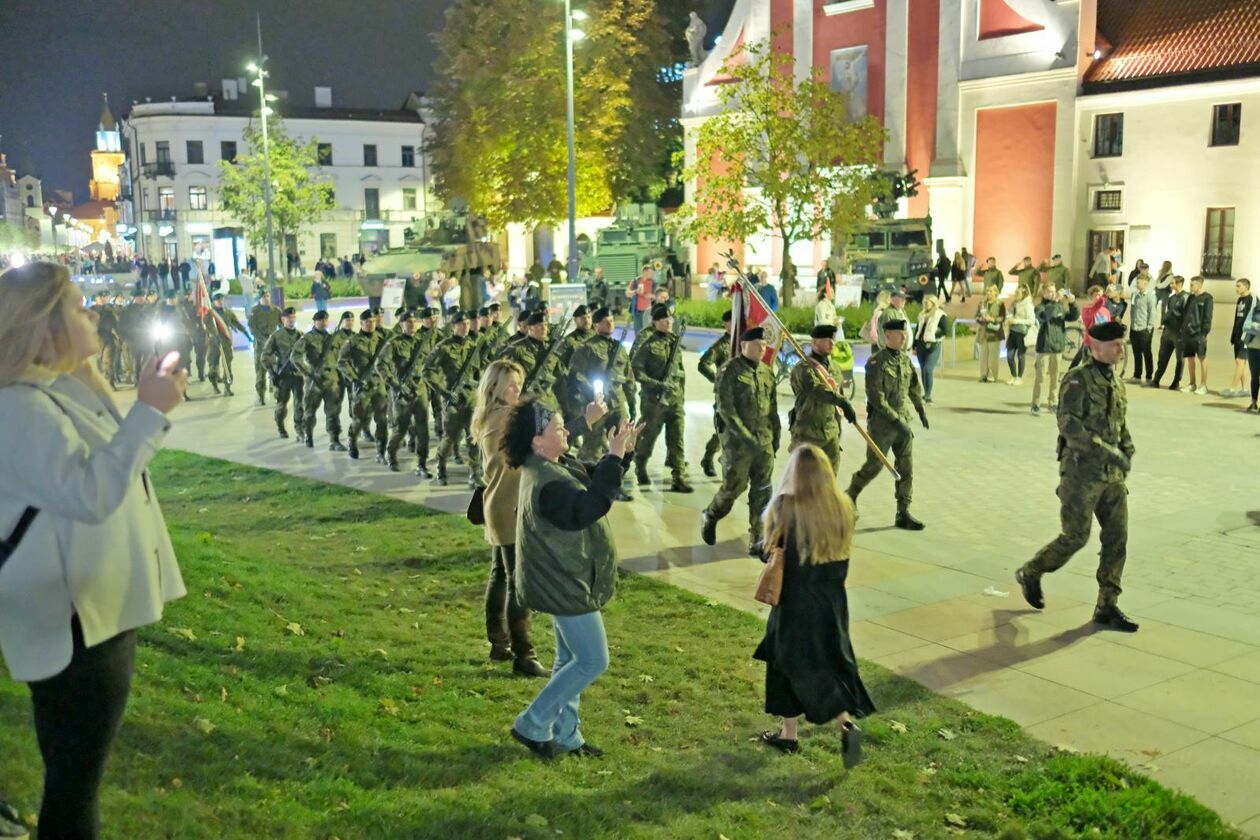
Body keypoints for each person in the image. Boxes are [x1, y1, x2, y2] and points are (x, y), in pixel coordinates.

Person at [0, 261, 187, 838]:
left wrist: (139, 402)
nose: (95, 315)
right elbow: (92, 492)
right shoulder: (18, 408)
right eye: (81, 307)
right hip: (75, 625)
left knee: (77, 775)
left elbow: (112, 468)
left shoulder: (53, 391)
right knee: (74, 787)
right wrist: (150, 411)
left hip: (93, 612)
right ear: (43, 323)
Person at [505, 399, 639, 760]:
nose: (567, 432)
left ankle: (567, 735)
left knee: (570, 660)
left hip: (564, 578)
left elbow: (590, 477)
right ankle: (532, 724)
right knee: (593, 660)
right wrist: (612, 458)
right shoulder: (546, 482)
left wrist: (619, 456)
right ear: (537, 440)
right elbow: (588, 506)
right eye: (559, 428)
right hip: (564, 584)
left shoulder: (550, 464)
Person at [1016, 320, 1139, 633]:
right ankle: (1032, 571)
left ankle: (1106, 605)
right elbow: (1068, 424)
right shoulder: (1077, 380)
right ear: (1096, 347)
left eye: (1121, 344)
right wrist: (1107, 450)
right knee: (1075, 537)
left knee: (1117, 538)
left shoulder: (1116, 381)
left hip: (1111, 476)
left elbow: (1118, 422)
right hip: (1080, 473)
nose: (1120, 349)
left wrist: (1126, 445)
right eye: (1115, 345)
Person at [753, 445, 874, 761]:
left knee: (784, 666)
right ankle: (845, 726)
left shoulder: (785, 507)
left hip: (794, 603)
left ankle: (788, 735)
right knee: (828, 664)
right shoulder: (842, 506)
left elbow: (771, 550)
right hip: (831, 601)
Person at [472, 361, 550, 678]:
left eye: (519, 383)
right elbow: (536, 449)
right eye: (510, 385)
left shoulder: (490, 416)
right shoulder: (504, 418)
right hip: (510, 507)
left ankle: (500, 643)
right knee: (519, 582)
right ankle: (524, 655)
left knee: (501, 576)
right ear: (494, 388)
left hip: (499, 504)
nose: (517, 389)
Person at [700, 327, 781, 554]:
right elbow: (726, 409)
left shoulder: (767, 372)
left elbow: (772, 407)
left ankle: (758, 538)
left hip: (763, 440)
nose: (762, 348)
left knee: (762, 489)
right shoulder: (729, 371)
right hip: (737, 444)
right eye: (757, 344)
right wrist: (745, 436)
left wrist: (776, 433)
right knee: (733, 489)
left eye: (764, 345)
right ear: (744, 345)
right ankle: (711, 514)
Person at [845, 319, 928, 529]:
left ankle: (903, 512)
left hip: (903, 423)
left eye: (905, 334)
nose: (904, 337)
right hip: (882, 425)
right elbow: (876, 397)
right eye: (899, 334)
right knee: (874, 466)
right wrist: (895, 420)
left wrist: (919, 409)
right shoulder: (876, 363)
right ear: (887, 335)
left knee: (906, 468)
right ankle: (851, 493)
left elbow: (913, 387)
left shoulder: (905, 360)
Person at [630, 304, 693, 492]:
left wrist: (681, 397)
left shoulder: (675, 343)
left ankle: (678, 476)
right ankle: (640, 466)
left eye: (670, 319)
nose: (669, 322)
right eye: (664, 320)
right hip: (653, 402)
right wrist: (656, 384)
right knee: (648, 438)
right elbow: (636, 371)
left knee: (677, 440)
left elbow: (679, 373)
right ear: (655, 322)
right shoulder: (648, 345)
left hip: (675, 401)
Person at [787, 324, 858, 473]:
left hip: (830, 434)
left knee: (829, 483)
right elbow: (817, 390)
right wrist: (843, 402)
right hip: (807, 435)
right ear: (814, 343)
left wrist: (838, 430)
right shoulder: (804, 368)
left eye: (832, 339)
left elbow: (837, 399)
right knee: (805, 485)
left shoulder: (834, 367)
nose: (832, 343)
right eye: (826, 340)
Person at [380, 311, 432, 475]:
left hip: (420, 390)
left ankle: (422, 463)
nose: (412, 324)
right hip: (401, 392)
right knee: (400, 429)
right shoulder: (394, 343)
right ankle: (391, 454)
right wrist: (395, 385)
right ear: (401, 324)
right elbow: (381, 365)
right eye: (408, 322)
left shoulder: (424, 342)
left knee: (423, 430)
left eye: (414, 321)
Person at [338, 309, 389, 462]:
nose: (371, 324)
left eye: (373, 321)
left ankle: (381, 452)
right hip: (362, 387)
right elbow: (342, 362)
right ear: (361, 323)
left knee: (382, 420)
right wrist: (354, 378)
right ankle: (352, 441)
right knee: (359, 420)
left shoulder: (382, 340)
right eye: (367, 322)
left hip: (379, 386)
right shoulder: (352, 341)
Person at [295, 310, 348, 451]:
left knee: (333, 412)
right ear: (315, 322)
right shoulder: (307, 338)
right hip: (314, 382)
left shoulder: (333, 338)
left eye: (325, 320)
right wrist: (307, 373)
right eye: (320, 320)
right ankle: (308, 436)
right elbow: (295, 357)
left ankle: (334, 440)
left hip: (332, 381)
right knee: (310, 411)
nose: (323, 323)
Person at [696, 311, 734, 477]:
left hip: (743, 395)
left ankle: (730, 459)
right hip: (725, 396)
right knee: (723, 430)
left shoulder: (744, 343)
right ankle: (709, 456)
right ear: (725, 324)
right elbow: (703, 364)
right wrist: (717, 380)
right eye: (732, 322)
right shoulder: (720, 346)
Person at [1031, 286, 1078, 415]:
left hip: (1057, 347)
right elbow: (1044, 316)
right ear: (1044, 293)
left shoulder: (1060, 306)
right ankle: (1036, 403)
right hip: (1044, 347)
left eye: (1054, 291)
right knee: (1040, 377)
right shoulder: (1040, 307)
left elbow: (1073, 316)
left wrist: (1072, 303)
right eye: (1049, 291)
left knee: (1055, 377)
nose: (1052, 294)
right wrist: (1056, 302)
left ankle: (1053, 402)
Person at [259, 307, 305, 439]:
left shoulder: (301, 335)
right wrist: (272, 372)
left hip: (298, 375)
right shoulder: (276, 336)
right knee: (281, 405)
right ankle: (280, 426)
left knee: (299, 404)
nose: (291, 320)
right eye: (289, 318)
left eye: (293, 318)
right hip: (283, 377)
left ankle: (299, 429)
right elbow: (264, 356)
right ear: (283, 319)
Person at [1150, 276, 1188, 390]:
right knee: (1162, 357)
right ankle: (1156, 379)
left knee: (1180, 359)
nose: (1171, 285)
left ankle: (1176, 381)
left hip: (1179, 333)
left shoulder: (1185, 298)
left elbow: (1186, 316)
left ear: (1180, 283)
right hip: (1168, 331)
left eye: (1173, 283)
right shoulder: (1172, 298)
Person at [1180, 276, 1213, 395]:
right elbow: (1186, 314)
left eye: (1192, 285)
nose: (1190, 287)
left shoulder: (1207, 298)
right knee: (1190, 358)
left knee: (1202, 358)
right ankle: (1192, 383)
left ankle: (1203, 385)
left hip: (1199, 334)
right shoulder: (1191, 298)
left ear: (1199, 285)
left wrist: (1204, 333)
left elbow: (1208, 317)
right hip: (1188, 333)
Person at [247, 297, 283, 406]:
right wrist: (263, 339)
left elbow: (281, 325)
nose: (266, 298)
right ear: (259, 298)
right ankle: (261, 396)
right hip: (260, 347)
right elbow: (252, 328)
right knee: (260, 372)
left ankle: (278, 395)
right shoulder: (255, 311)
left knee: (276, 371)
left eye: (267, 296)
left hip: (273, 347)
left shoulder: (276, 310)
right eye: (264, 296)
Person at [913, 295, 947, 403]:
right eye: (924, 302)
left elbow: (945, 330)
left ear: (933, 303)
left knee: (928, 369)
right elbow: (918, 330)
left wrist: (935, 336)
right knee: (923, 370)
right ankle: (925, 392)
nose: (925, 304)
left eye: (927, 302)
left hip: (933, 345)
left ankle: (928, 396)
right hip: (921, 345)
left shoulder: (940, 314)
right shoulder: (921, 314)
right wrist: (914, 345)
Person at [1224, 279, 1255, 398]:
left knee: (1240, 361)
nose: (1236, 288)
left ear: (1246, 287)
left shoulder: (1252, 299)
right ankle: (1245, 389)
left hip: (1246, 336)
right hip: (1238, 336)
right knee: (1242, 362)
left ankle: (1232, 389)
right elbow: (1237, 319)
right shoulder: (1240, 299)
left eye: (1238, 286)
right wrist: (1233, 336)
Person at [1128, 274, 1157, 384]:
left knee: (1147, 353)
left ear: (1145, 283)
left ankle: (1149, 376)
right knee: (1136, 353)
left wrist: (1149, 327)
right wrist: (1132, 324)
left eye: (1139, 282)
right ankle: (1137, 375)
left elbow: (1152, 313)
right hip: (1134, 328)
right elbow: (1132, 310)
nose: (1137, 284)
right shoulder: (1135, 295)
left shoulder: (1150, 296)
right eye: (1137, 282)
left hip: (1144, 329)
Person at [975, 286, 1006, 383]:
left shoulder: (1000, 304)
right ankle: (983, 374)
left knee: (993, 356)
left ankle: (992, 375)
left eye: (991, 291)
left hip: (994, 333)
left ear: (996, 293)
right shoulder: (982, 303)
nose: (988, 293)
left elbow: (1003, 318)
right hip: (983, 332)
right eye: (987, 291)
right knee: (983, 355)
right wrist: (980, 319)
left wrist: (993, 319)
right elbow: (976, 316)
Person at [1005, 285, 1035, 385]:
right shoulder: (1014, 303)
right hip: (1012, 332)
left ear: (1024, 294)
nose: (1015, 295)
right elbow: (1008, 312)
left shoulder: (1028, 305)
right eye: (1015, 293)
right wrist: (1009, 317)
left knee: (1021, 355)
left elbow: (1031, 320)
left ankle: (1019, 377)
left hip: (1022, 333)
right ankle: (1013, 375)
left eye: (1017, 293)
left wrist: (1017, 320)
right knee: (1009, 356)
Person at [626, 266, 655, 334]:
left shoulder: (653, 282)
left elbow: (657, 295)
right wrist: (636, 292)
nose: (652, 274)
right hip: (637, 312)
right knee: (638, 332)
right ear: (645, 272)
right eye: (650, 273)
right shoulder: (636, 281)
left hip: (648, 312)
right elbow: (627, 293)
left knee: (648, 332)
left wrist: (648, 295)